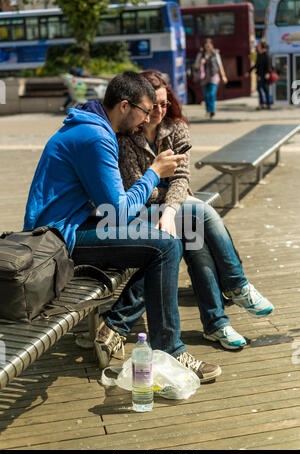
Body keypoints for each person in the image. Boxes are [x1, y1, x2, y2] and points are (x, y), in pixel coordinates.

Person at [23, 71, 222, 384]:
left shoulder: (92, 126)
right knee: (166, 246)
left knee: (169, 235)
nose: (146, 121)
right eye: (144, 111)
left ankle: (120, 326)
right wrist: (154, 172)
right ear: (125, 106)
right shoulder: (96, 137)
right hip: (59, 238)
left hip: (74, 223)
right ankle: (169, 349)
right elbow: (117, 212)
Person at [98, 69, 274, 354]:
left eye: (165, 104)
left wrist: (169, 209)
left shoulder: (176, 127)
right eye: (153, 105)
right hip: (137, 212)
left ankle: (218, 321)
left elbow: (182, 178)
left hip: (173, 211)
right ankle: (232, 294)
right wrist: (168, 197)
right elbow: (136, 189)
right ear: (139, 102)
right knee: (199, 214)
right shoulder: (126, 135)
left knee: (192, 235)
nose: (159, 110)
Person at [193, 38, 227, 118]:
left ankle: (212, 110)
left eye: (209, 45)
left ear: (212, 45)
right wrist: (201, 62)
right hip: (204, 77)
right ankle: (208, 110)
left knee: (211, 93)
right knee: (206, 95)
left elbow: (220, 66)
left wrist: (224, 76)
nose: (208, 46)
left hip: (213, 76)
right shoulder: (201, 55)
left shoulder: (215, 54)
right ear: (204, 46)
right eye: (206, 45)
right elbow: (195, 66)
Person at [246, 39, 272, 110]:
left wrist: (268, 73)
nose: (257, 46)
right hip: (260, 75)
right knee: (264, 89)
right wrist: (249, 71)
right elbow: (256, 65)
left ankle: (263, 104)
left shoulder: (267, 54)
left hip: (265, 75)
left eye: (259, 44)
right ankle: (266, 104)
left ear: (262, 46)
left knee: (260, 88)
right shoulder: (259, 54)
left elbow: (269, 65)